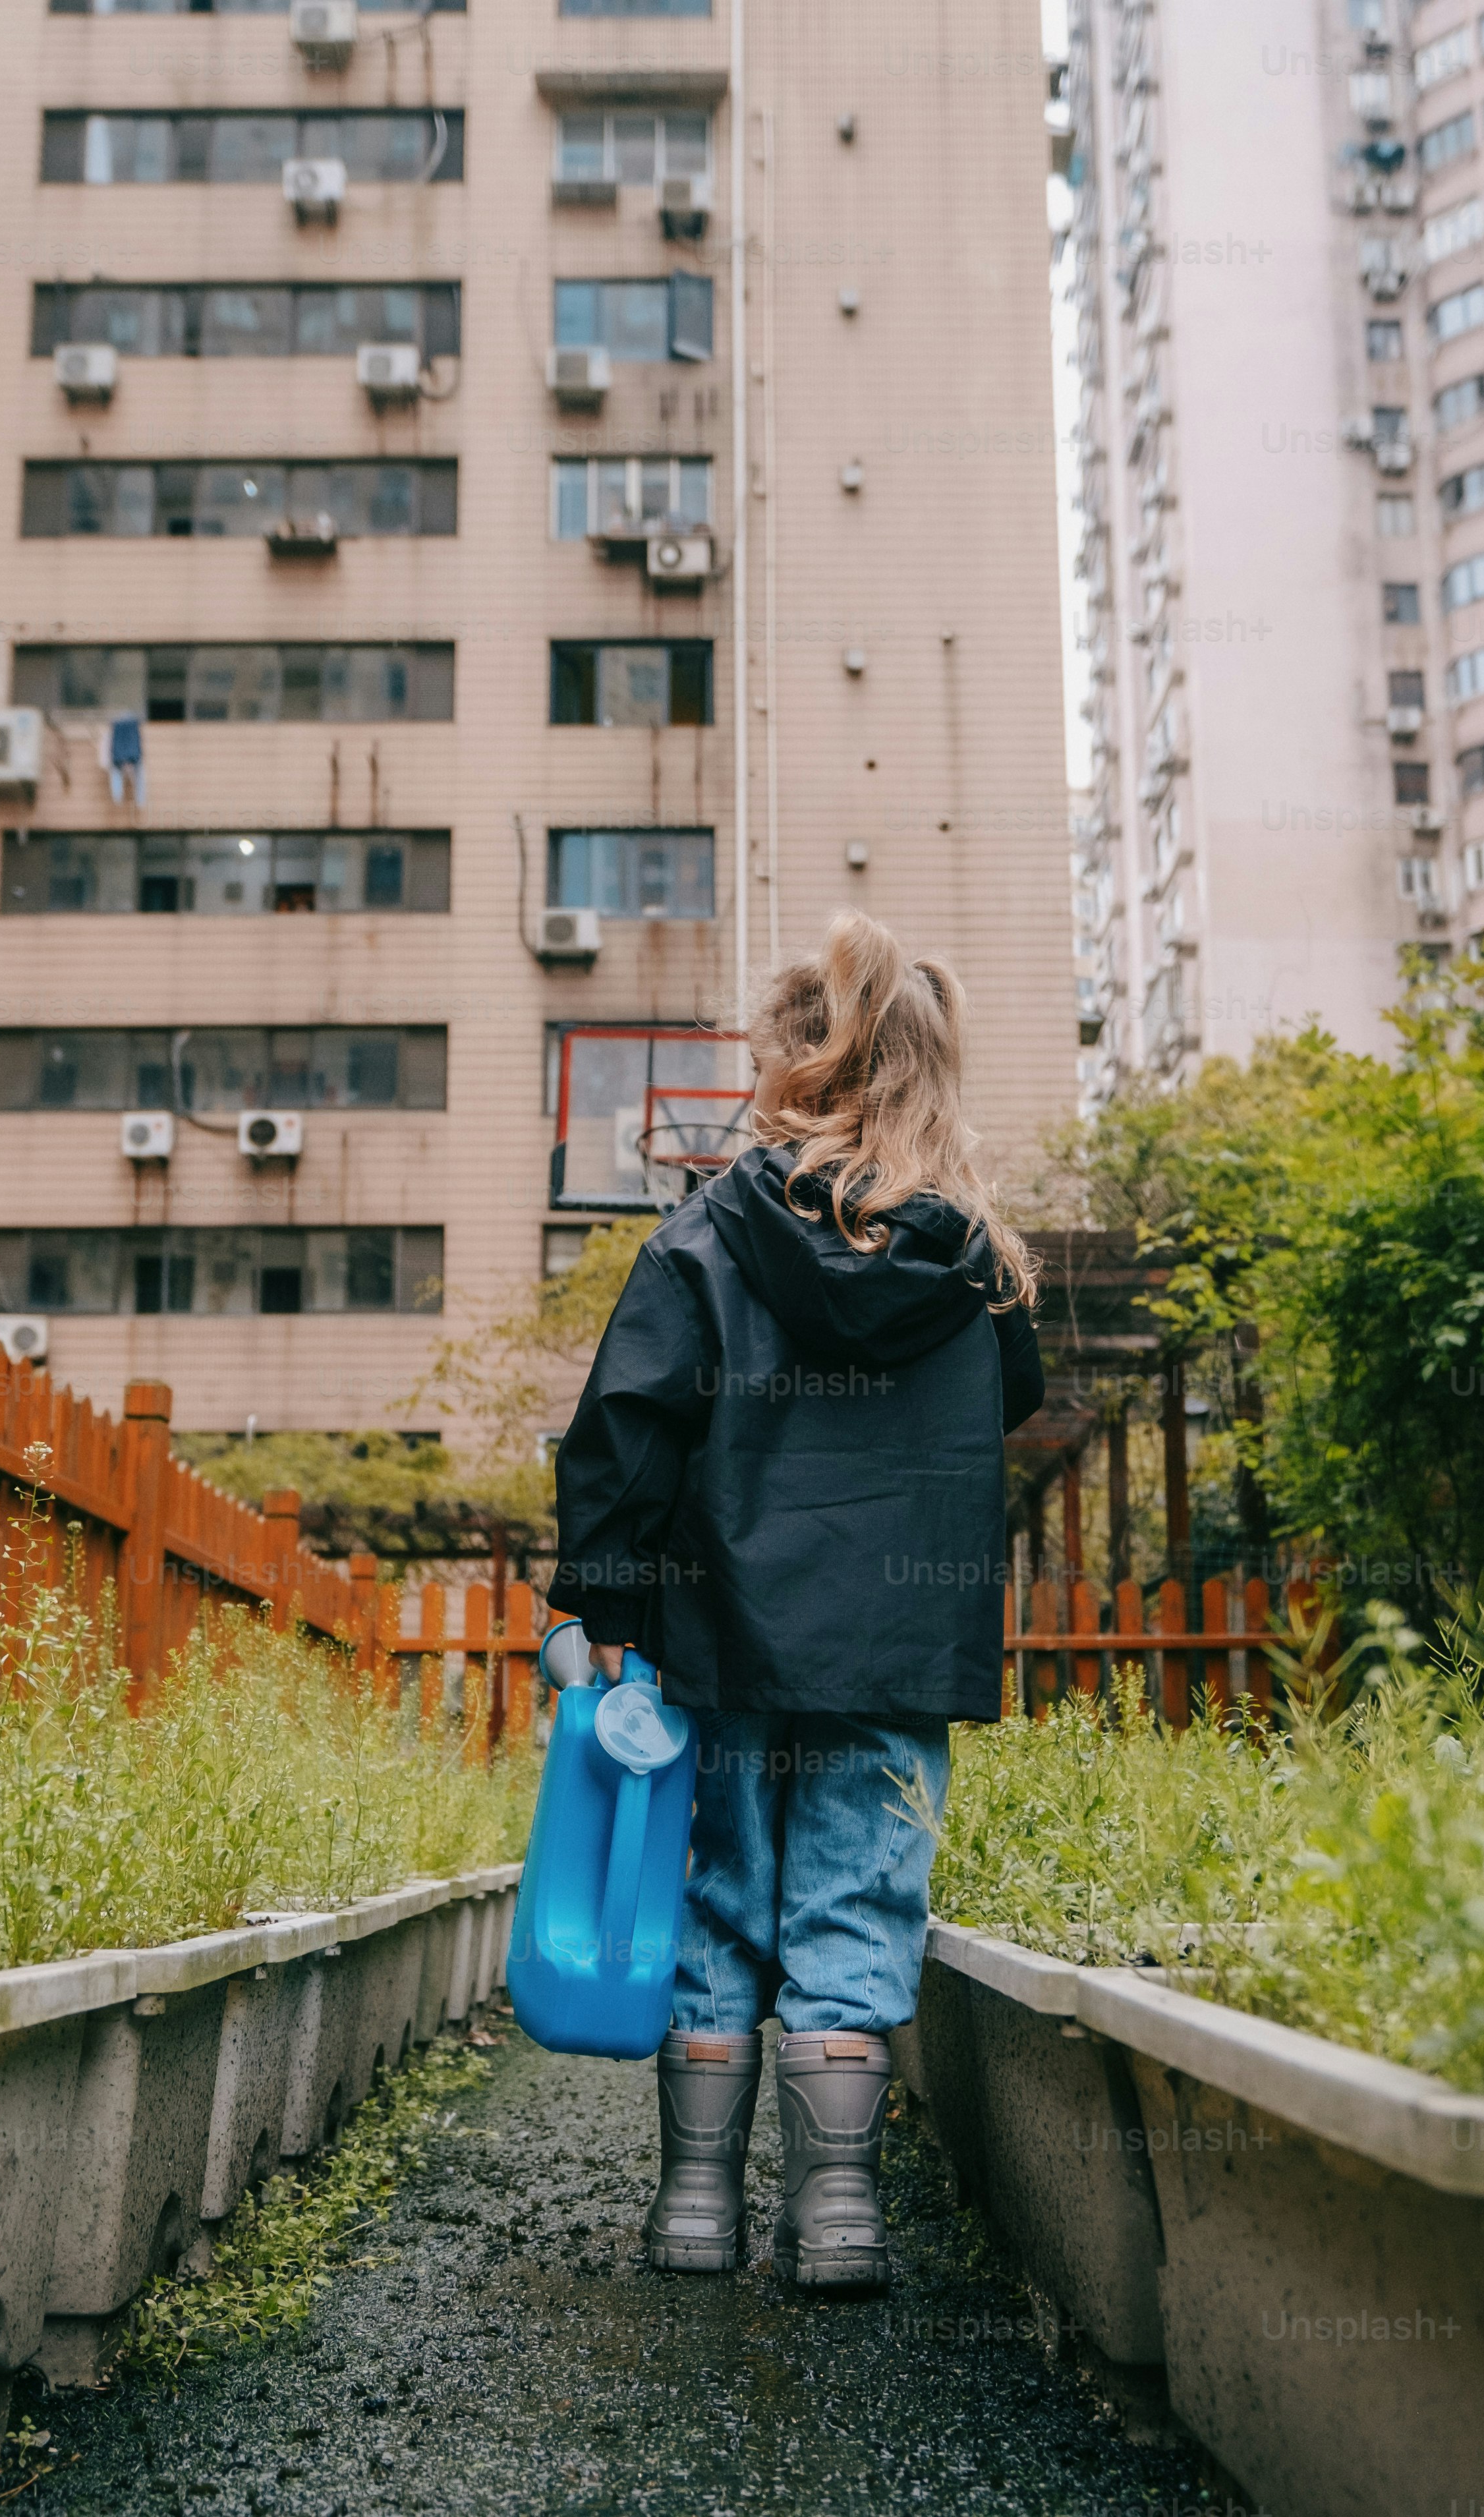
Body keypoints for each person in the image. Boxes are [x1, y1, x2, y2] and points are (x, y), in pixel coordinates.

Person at [546, 910, 1044, 2294]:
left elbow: (624, 1429)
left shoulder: (707, 1232)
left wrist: (606, 1600)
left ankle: (695, 2208)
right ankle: (838, 2221)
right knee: (858, 1907)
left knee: (713, 1903)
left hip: (720, 1640)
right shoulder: (978, 1263)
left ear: (796, 1069)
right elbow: (1019, 1400)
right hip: (895, 1646)